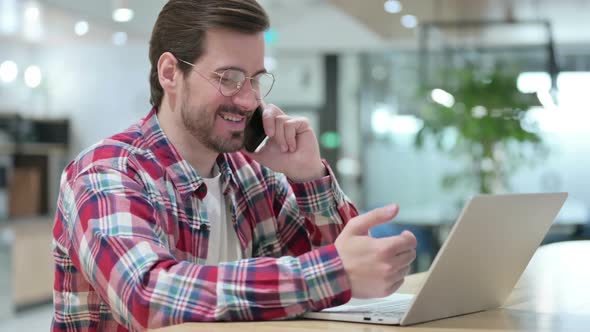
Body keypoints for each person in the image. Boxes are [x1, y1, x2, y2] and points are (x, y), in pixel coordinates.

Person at [51, 0, 417, 330]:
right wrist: (334, 273)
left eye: (256, 79)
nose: (248, 100)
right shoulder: (105, 173)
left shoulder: (251, 174)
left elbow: (346, 270)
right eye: (229, 78)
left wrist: (308, 175)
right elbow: (147, 297)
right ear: (169, 73)